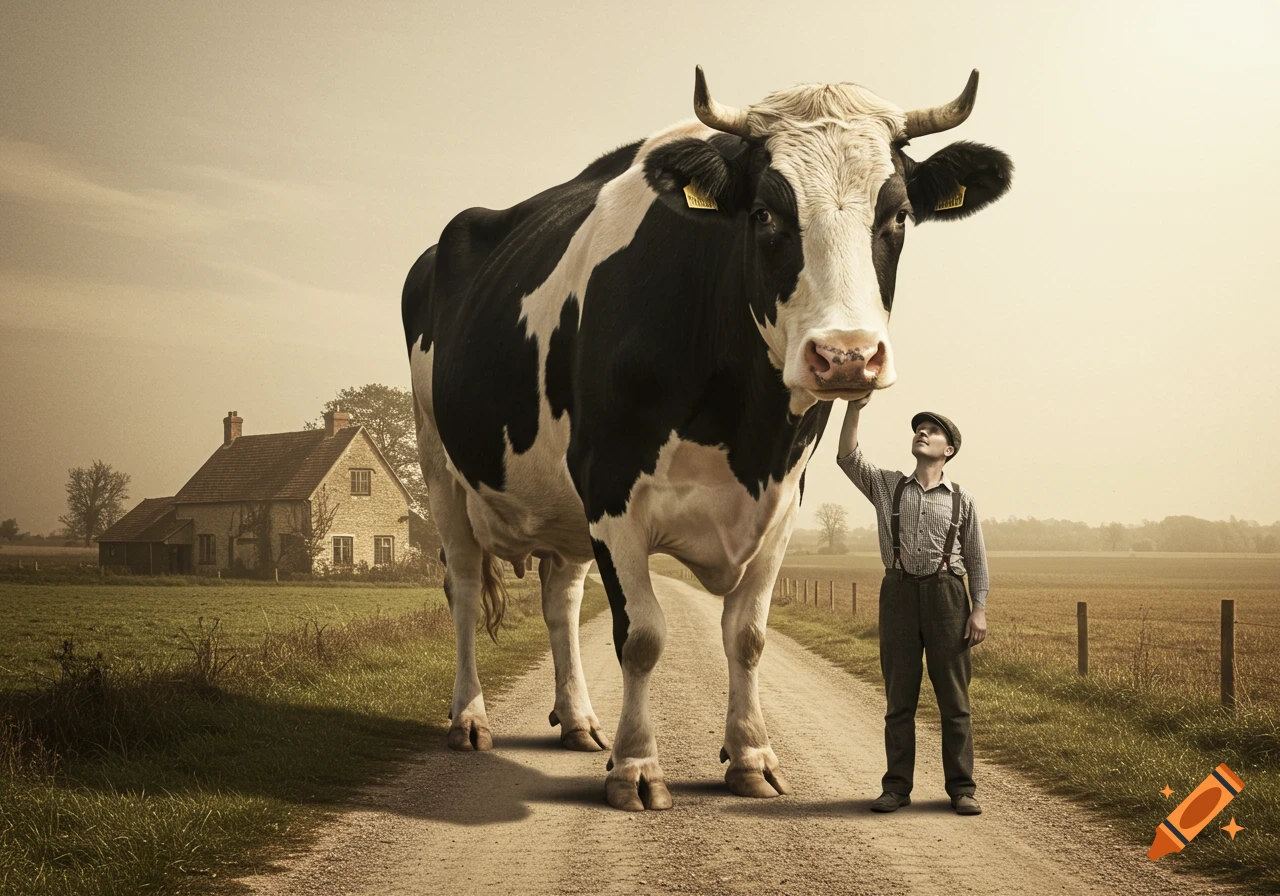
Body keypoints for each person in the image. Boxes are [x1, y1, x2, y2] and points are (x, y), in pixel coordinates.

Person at [835, 397, 989, 816]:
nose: (922, 433)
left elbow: (975, 558)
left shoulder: (962, 499)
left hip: (947, 597)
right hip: (898, 593)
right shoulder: (889, 485)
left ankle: (962, 789)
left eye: (932, 430)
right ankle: (897, 788)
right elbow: (847, 458)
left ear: (948, 450)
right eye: (919, 428)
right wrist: (854, 408)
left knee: (954, 701)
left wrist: (979, 608)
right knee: (898, 699)